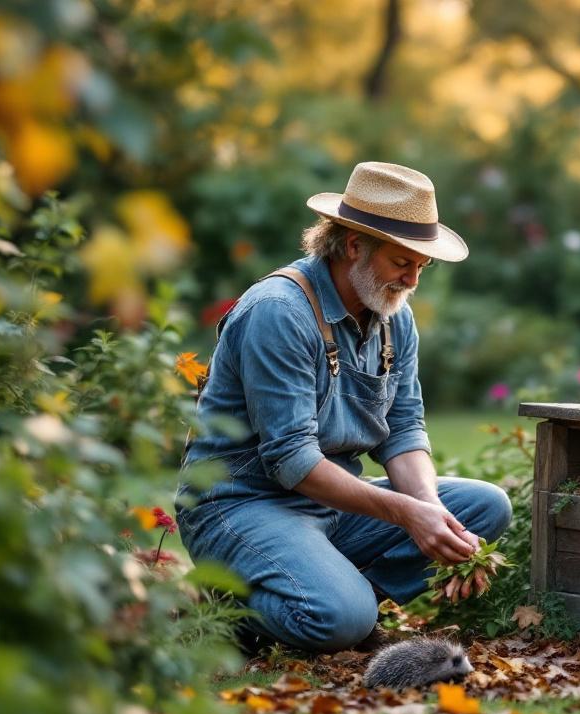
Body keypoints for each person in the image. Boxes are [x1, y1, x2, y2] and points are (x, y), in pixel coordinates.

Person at [175, 161, 512, 652]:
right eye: (402, 262)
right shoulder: (279, 312)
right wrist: (406, 515)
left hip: (331, 503)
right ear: (354, 245)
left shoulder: (394, 315)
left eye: (423, 265)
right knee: (343, 617)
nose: (413, 280)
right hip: (240, 503)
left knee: (484, 507)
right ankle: (232, 607)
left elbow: (403, 428)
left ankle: (323, 595)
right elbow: (292, 461)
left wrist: (431, 512)